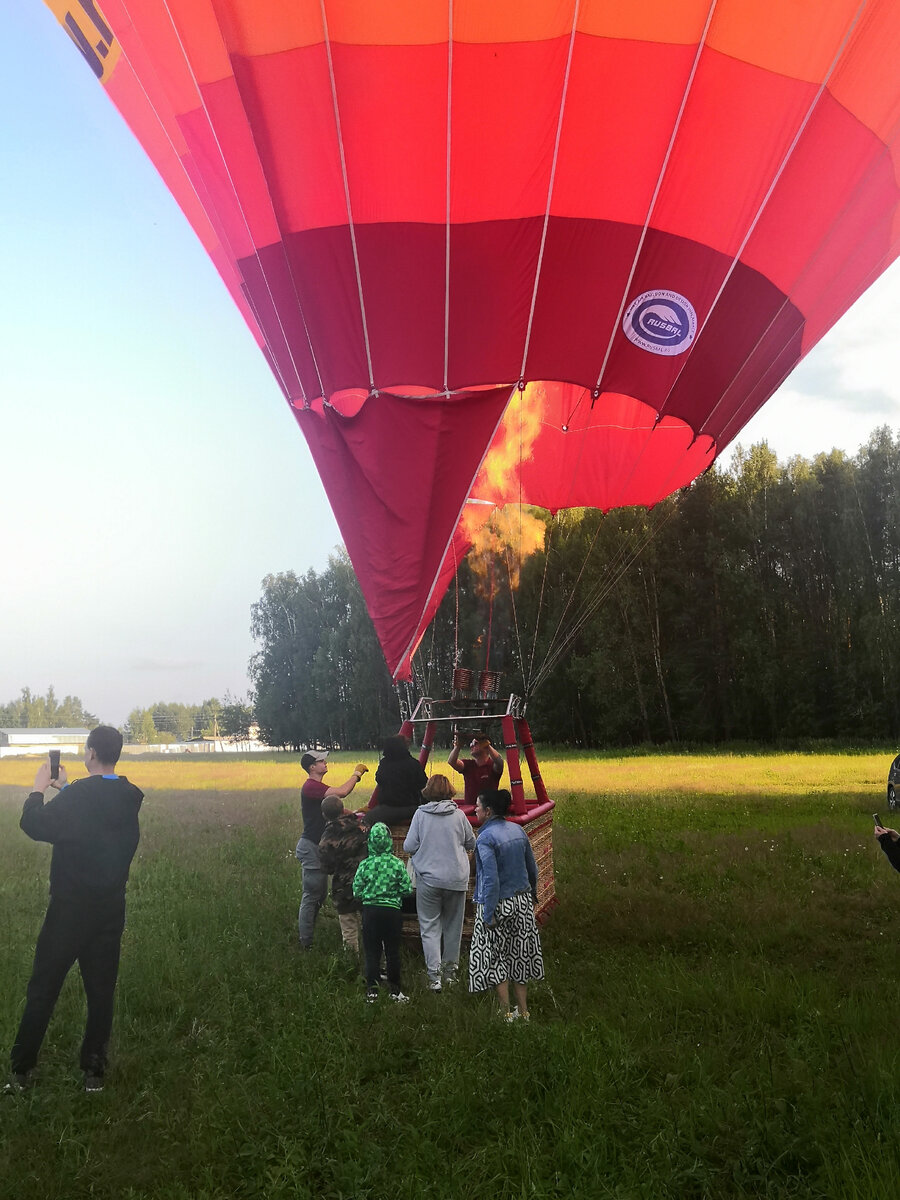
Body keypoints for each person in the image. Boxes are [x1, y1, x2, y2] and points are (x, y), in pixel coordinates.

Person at [8, 726, 143, 1092]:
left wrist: (39, 788)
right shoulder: (129, 795)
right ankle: (94, 1074)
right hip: (110, 910)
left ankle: (21, 1072)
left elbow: (33, 823)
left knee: (43, 988)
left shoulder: (80, 797)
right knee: (101, 992)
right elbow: (96, 820)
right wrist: (67, 788)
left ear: (91, 753)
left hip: (69, 912)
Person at [468, 789, 544, 1022]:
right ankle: (524, 1011)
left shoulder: (485, 838)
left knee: (495, 957)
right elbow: (533, 869)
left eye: (478, 806)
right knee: (520, 956)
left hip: (497, 903)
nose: (475, 810)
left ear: (488, 811)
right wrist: (531, 895)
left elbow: (490, 879)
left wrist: (488, 913)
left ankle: (506, 1013)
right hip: (521, 901)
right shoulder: (518, 831)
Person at [403, 774, 475, 990]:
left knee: (429, 926)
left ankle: (434, 978)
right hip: (456, 879)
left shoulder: (420, 815)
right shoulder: (459, 816)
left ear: (428, 791)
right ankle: (450, 975)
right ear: (450, 791)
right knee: (453, 927)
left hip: (429, 880)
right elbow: (471, 842)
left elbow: (408, 846)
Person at [296, 753, 368, 949]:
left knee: (317, 896)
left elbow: (335, 810)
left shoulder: (317, 788)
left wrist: (356, 814)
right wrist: (356, 774)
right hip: (312, 847)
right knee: (312, 896)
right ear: (312, 767)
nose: (325, 762)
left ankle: (308, 939)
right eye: (320, 761)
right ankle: (306, 944)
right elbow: (342, 793)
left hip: (319, 845)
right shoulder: (311, 786)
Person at [352, 822, 413, 1003]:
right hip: (392, 912)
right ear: (389, 841)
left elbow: (356, 891)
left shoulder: (364, 864)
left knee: (372, 951)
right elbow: (407, 889)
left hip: (370, 911)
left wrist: (369, 896)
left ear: (370, 842)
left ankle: (373, 990)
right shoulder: (396, 864)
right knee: (392, 951)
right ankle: (395, 991)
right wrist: (393, 895)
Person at [317, 795, 368, 953]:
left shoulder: (328, 837)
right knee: (369, 924)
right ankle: (376, 961)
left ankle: (352, 963)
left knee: (348, 928)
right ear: (342, 809)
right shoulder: (361, 825)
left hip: (343, 886)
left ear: (324, 815)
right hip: (367, 883)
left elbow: (327, 867)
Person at [363, 735, 428, 828]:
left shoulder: (384, 763)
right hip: (410, 808)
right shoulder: (413, 764)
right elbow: (423, 784)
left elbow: (379, 779)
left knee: (366, 821)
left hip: (387, 809)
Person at [447, 730, 504, 809]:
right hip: (470, 810)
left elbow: (500, 762)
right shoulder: (468, 764)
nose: (471, 745)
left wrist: (487, 745)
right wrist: (458, 745)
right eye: (471, 743)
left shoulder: (492, 765)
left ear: (485, 745)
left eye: (475, 743)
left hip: (487, 811)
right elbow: (451, 762)